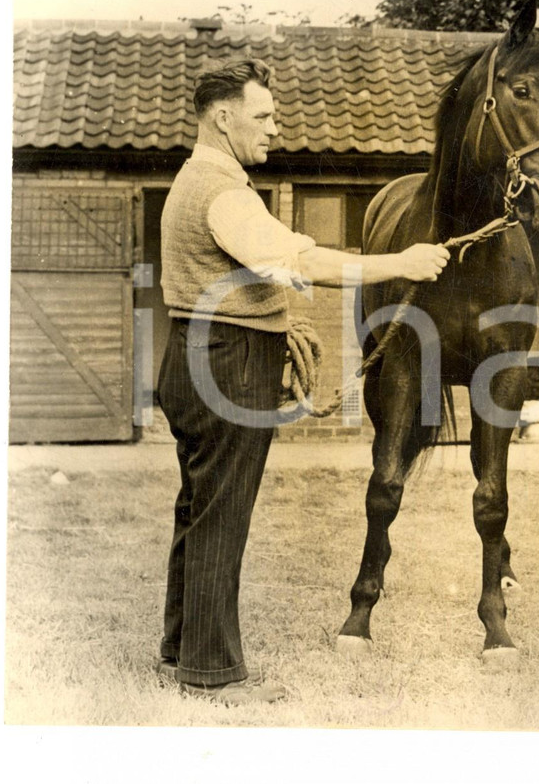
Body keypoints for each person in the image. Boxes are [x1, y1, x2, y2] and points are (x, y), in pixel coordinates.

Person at [156, 59, 449, 704]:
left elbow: (234, 274)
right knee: (221, 515)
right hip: (227, 363)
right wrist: (401, 262)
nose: (274, 129)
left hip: (195, 354)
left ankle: (179, 649)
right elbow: (300, 260)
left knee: (198, 507)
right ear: (222, 118)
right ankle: (211, 672)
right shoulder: (224, 192)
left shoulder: (194, 180)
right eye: (262, 117)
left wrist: (276, 323)